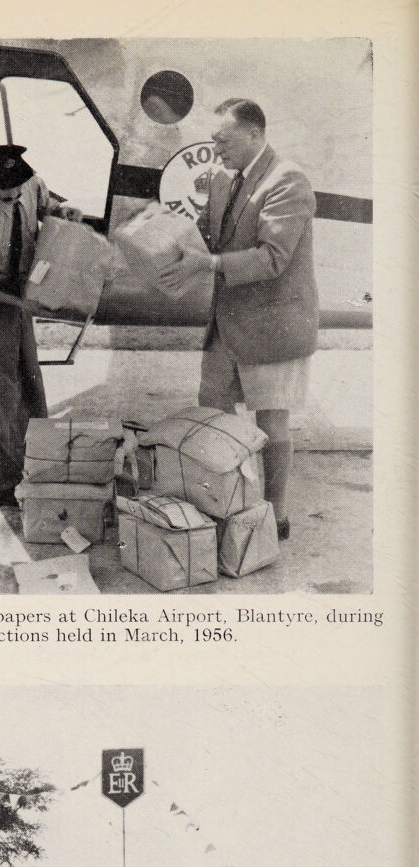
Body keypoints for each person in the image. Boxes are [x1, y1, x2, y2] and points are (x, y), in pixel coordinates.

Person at [158, 99, 319, 540]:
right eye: (213, 139)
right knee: (213, 413)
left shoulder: (288, 181)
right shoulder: (223, 178)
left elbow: (273, 258)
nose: (216, 147)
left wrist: (206, 264)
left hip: (274, 326)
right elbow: (208, 239)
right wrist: (161, 237)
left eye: (223, 140)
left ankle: (277, 513)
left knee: (271, 422)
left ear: (253, 134)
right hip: (226, 323)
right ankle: (226, 503)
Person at [0, 144, 82, 506]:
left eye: (16, 188)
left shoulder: (30, 183)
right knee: (1, 391)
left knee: (29, 381)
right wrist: (16, 302)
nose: (11, 196)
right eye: (2, 192)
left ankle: (35, 463)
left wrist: (64, 213)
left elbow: (49, 208)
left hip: (21, 294)